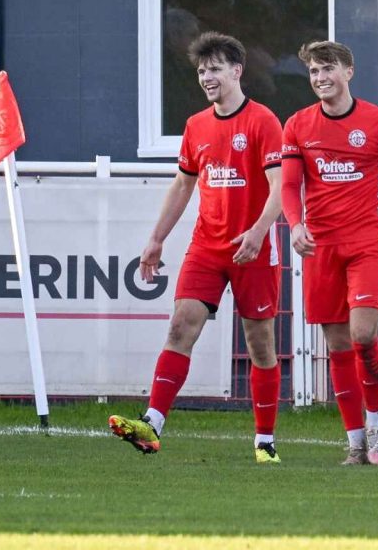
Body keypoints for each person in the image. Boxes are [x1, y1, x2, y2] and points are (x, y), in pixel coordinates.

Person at [108, 32, 284, 464]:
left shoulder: (263, 121)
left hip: (253, 246)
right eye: (202, 70)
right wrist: (156, 238)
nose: (207, 77)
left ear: (237, 72)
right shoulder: (196, 125)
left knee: (260, 343)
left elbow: (282, 186)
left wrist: (260, 230)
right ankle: (152, 424)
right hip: (208, 245)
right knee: (180, 325)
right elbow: (183, 185)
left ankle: (265, 443)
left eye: (216, 68)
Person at [281, 41, 378, 465]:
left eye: (327, 69)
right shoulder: (298, 125)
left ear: (348, 71)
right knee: (337, 345)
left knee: (362, 335)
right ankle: (356, 442)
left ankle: (376, 428)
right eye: (313, 72)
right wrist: (296, 225)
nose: (320, 78)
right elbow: (288, 185)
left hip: (367, 245)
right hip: (320, 247)